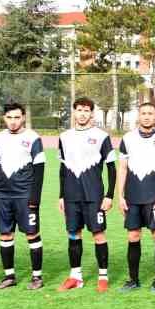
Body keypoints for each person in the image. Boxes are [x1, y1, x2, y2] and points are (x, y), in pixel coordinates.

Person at [56, 96, 118, 293]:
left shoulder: (101, 136)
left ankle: (103, 276)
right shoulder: (64, 137)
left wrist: (109, 195)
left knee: (98, 234)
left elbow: (111, 168)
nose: (82, 114)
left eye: (86, 110)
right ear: (74, 112)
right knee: (73, 234)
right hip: (71, 195)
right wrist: (61, 196)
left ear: (91, 113)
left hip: (94, 195)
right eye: (79, 110)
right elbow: (62, 168)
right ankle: (76, 276)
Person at [114, 99, 155, 292]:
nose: (146, 116)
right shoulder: (128, 138)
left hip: (154, 196)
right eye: (143, 113)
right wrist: (120, 196)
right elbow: (122, 169)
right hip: (133, 197)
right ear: (138, 116)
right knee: (133, 235)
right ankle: (133, 279)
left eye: (150, 113)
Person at [0, 101, 46, 290]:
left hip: (25, 195)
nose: (13, 121)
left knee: (32, 234)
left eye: (17, 117)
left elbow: (39, 169)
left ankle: (37, 277)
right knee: (5, 235)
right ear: (4, 118)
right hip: (3, 195)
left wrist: (34, 198)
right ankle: (9, 276)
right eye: (9, 117)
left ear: (23, 118)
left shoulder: (33, 138)